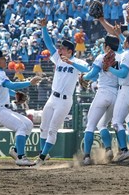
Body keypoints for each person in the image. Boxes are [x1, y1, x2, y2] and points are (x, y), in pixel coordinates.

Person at [36, 18, 89, 166]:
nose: (59, 51)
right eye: (60, 49)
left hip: (65, 101)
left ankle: (41, 158)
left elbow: (88, 70)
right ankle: (44, 154)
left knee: (52, 130)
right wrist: (44, 28)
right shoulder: (58, 59)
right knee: (43, 128)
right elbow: (49, 44)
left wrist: (72, 62)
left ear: (70, 51)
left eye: (63, 49)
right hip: (53, 98)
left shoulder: (78, 63)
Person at [0, 49, 41, 166]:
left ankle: (16, 151)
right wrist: (29, 82)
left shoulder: (0, 72)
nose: (5, 60)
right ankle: (21, 157)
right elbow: (11, 85)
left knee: (28, 124)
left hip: (2, 108)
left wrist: (15, 94)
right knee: (21, 126)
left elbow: (5, 89)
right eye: (2, 58)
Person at [81, 35, 120, 165]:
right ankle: (109, 149)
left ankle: (86, 156)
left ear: (107, 47)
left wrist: (83, 77)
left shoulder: (101, 57)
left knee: (90, 125)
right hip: (116, 94)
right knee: (103, 124)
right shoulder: (121, 57)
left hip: (103, 92)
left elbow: (93, 73)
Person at [107, 30, 129, 162]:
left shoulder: (127, 55)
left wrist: (109, 68)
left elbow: (122, 73)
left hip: (125, 91)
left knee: (116, 122)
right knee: (119, 122)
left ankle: (124, 150)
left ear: (127, 42)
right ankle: (124, 149)